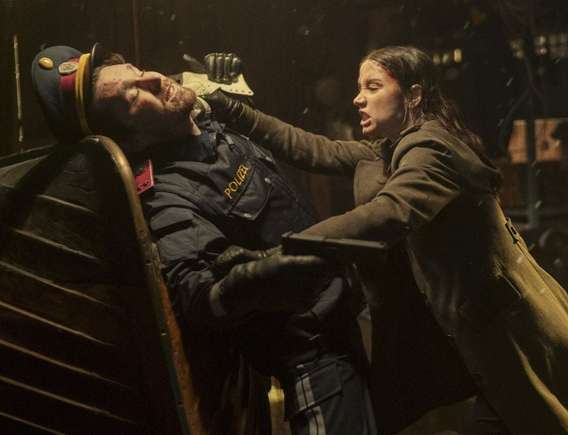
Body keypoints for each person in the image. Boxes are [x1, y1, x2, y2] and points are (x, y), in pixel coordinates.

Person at [203, 46, 568, 435]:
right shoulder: (390, 149)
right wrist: (234, 111)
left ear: (414, 95)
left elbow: (387, 214)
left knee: (523, 418)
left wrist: (279, 252)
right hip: (458, 330)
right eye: (359, 88)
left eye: (372, 87)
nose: (358, 99)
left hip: (504, 330)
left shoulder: (432, 150)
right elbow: (313, 149)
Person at [30, 43, 377, 435]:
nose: (154, 79)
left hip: (353, 316)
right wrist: (248, 282)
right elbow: (195, 291)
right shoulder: (166, 197)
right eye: (133, 96)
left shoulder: (208, 123)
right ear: (133, 139)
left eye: (137, 71)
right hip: (319, 362)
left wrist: (233, 95)